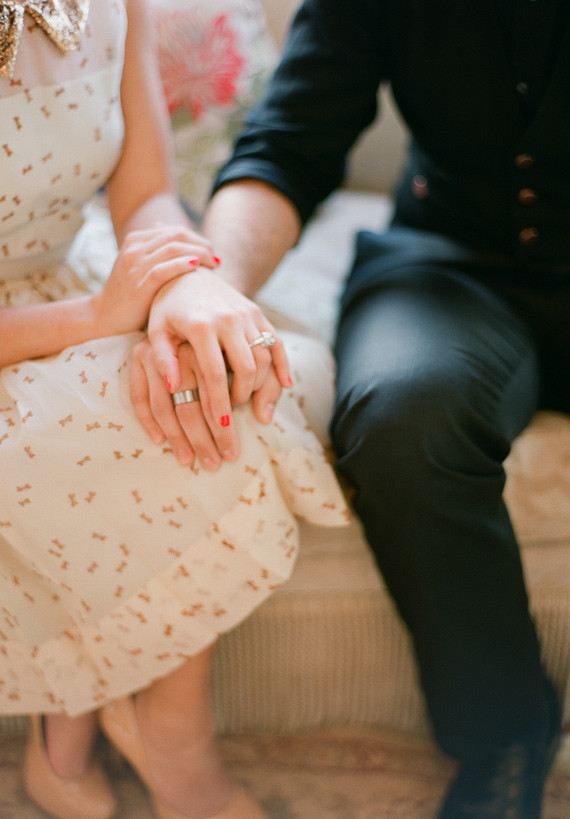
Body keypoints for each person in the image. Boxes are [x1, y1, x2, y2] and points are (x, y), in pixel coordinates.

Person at [193, 1, 570, 816]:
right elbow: (290, 141)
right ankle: (505, 732)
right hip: (450, 261)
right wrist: (212, 293)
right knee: (401, 417)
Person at [0, 1, 346, 818]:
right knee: (133, 416)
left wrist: (180, 288)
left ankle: (147, 717)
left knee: (225, 372)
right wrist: (97, 318)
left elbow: (147, 191)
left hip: (74, 275)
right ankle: (111, 728)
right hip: (41, 321)